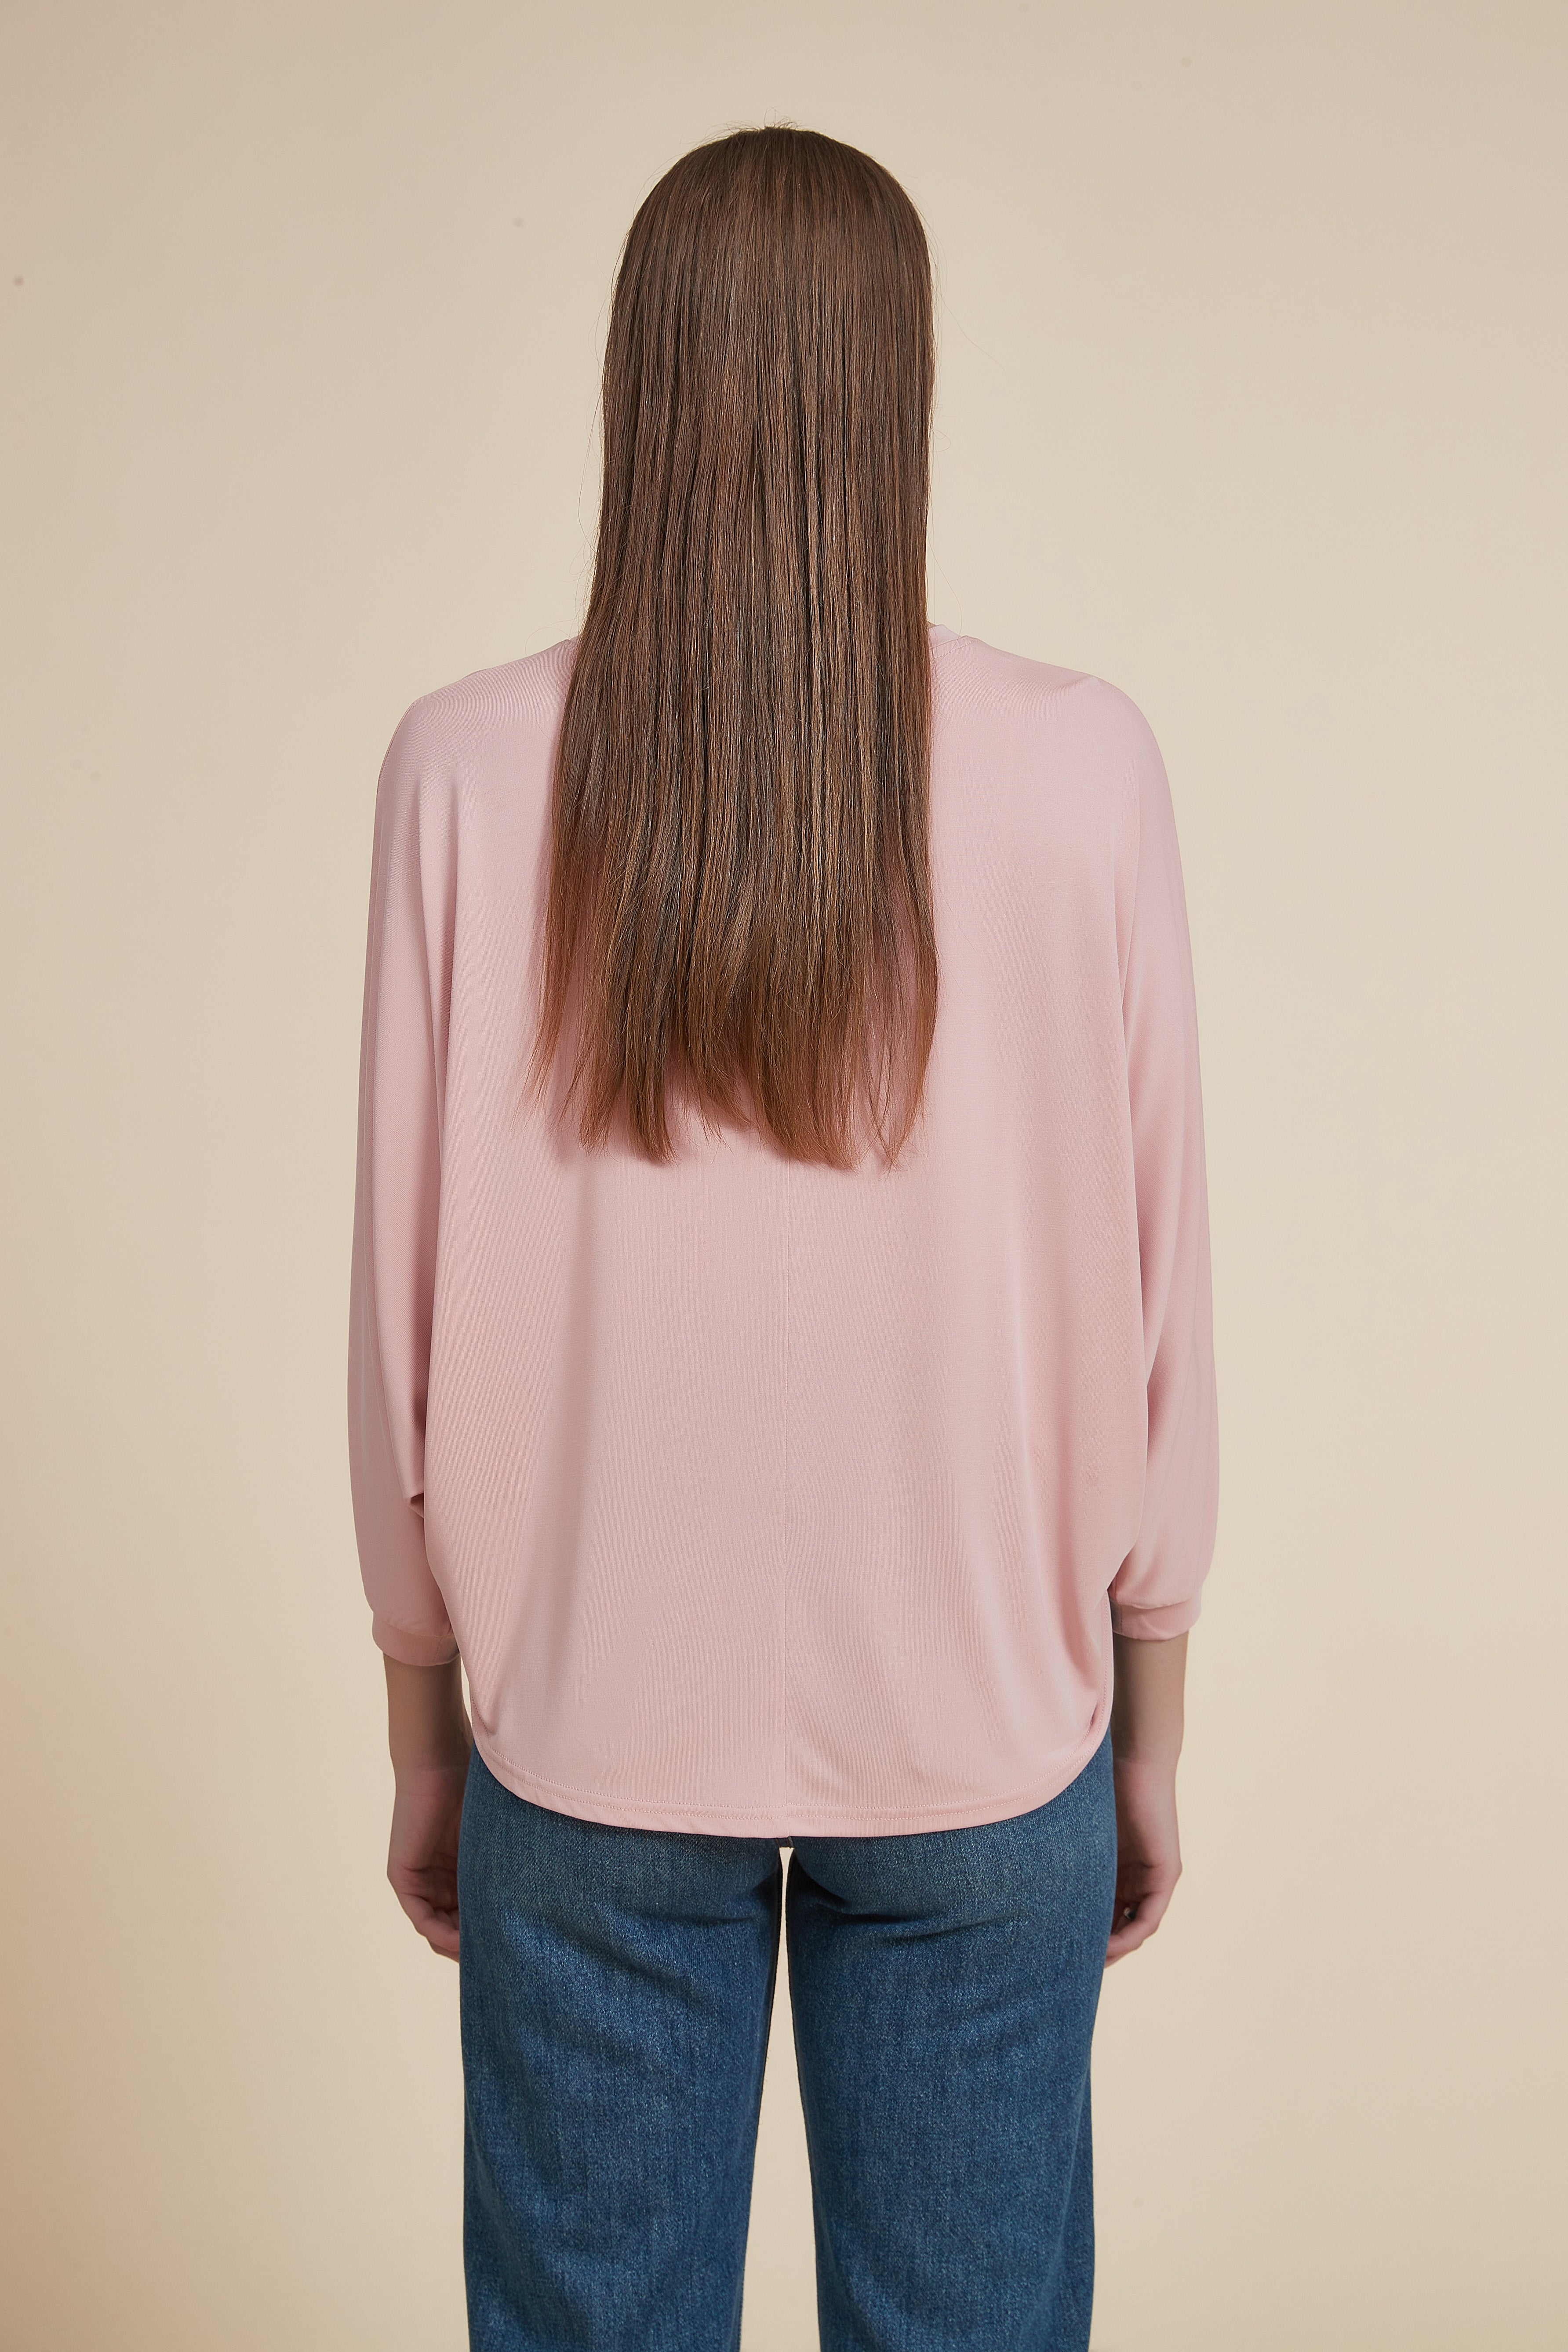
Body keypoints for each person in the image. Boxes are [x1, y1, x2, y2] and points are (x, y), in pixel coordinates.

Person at [348, 124, 1218, 2352]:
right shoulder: (1083, 766)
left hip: (582, 1737)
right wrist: (1150, 1721)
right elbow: (1161, 1296)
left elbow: (398, 1328)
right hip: (990, 1726)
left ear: (638, 384)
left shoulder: (460, 771)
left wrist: (423, 1728)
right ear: (900, 388)